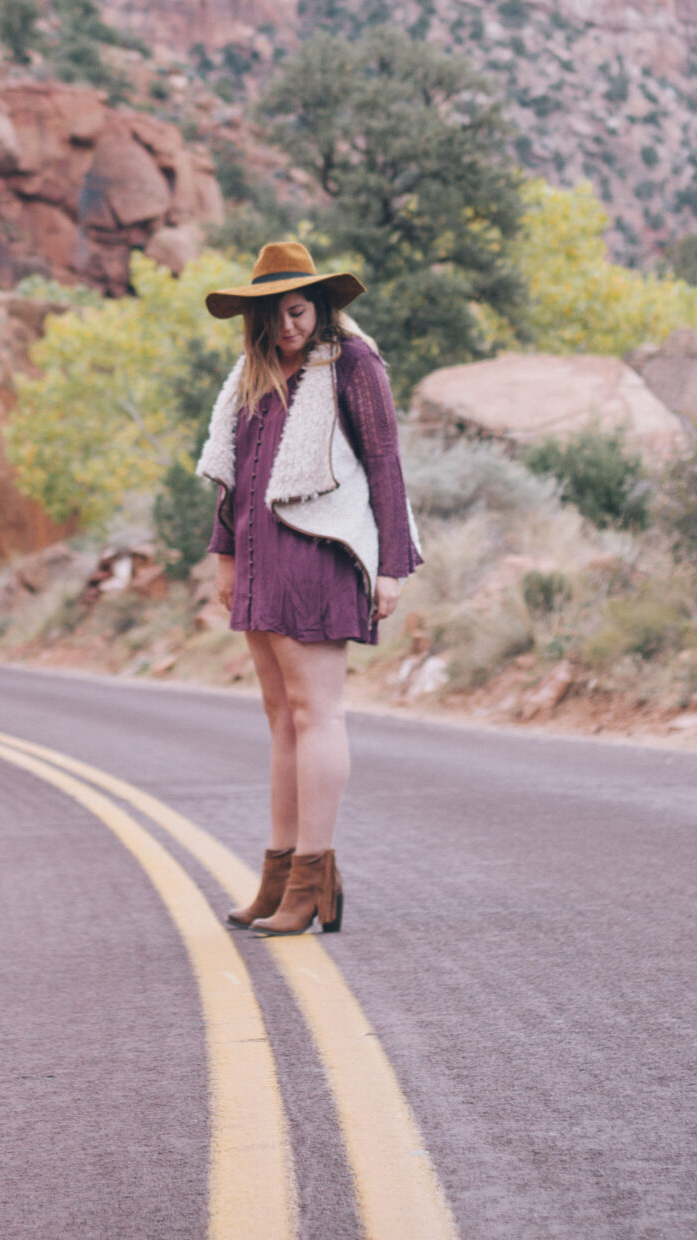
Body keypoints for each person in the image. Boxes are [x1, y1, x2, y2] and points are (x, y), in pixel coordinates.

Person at [197, 240, 421, 936]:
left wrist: (391, 564)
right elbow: (236, 470)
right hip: (261, 557)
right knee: (280, 718)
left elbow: (385, 459)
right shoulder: (251, 374)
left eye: (297, 312)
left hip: (319, 556)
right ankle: (281, 873)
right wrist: (225, 551)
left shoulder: (352, 363)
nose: (287, 327)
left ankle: (311, 878)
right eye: (273, 316)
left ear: (319, 306)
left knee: (315, 713)